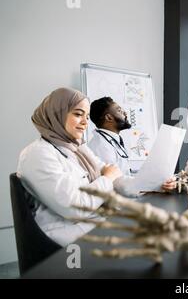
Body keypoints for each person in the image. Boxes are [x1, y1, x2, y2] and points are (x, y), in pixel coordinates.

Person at [17, 88, 175, 246]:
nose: (86, 123)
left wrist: (157, 184)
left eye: (86, 116)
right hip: (65, 232)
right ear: (56, 113)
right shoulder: (37, 154)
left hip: (92, 219)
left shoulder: (77, 148)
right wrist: (107, 178)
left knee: (159, 225)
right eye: (78, 114)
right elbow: (74, 206)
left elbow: (116, 178)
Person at [88, 97, 134, 176]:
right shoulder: (101, 146)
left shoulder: (112, 140)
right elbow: (113, 179)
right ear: (109, 118)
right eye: (119, 111)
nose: (125, 113)